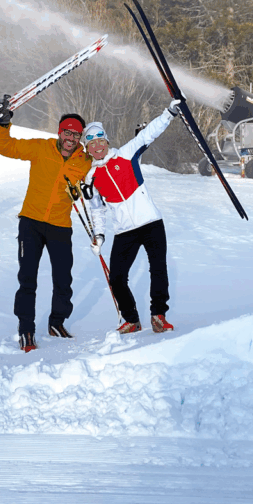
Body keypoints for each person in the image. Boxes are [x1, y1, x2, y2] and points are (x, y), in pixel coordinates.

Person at [0, 100, 91, 352]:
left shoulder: (84, 160)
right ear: (59, 132)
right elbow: (7, 148)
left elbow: (92, 181)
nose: (71, 138)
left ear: (80, 137)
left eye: (76, 134)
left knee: (63, 279)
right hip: (31, 223)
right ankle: (26, 329)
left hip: (60, 226)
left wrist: (79, 191)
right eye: (67, 132)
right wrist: (3, 125)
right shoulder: (41, 148)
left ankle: (56, 323)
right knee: (28, 278)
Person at [83, 100, 181, 334]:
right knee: (117, 277)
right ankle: (131, 319)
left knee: (158, 269)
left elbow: (148, 134)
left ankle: (158, 316)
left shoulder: (126, 154)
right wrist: (99, 236)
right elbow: (96, 210)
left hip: (151, 223)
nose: (97, 146)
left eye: (100, 141)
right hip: (124, 230)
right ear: (86, 149)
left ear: (107, 141)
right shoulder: (91, 178)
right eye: (91, 143)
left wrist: (169, 113)